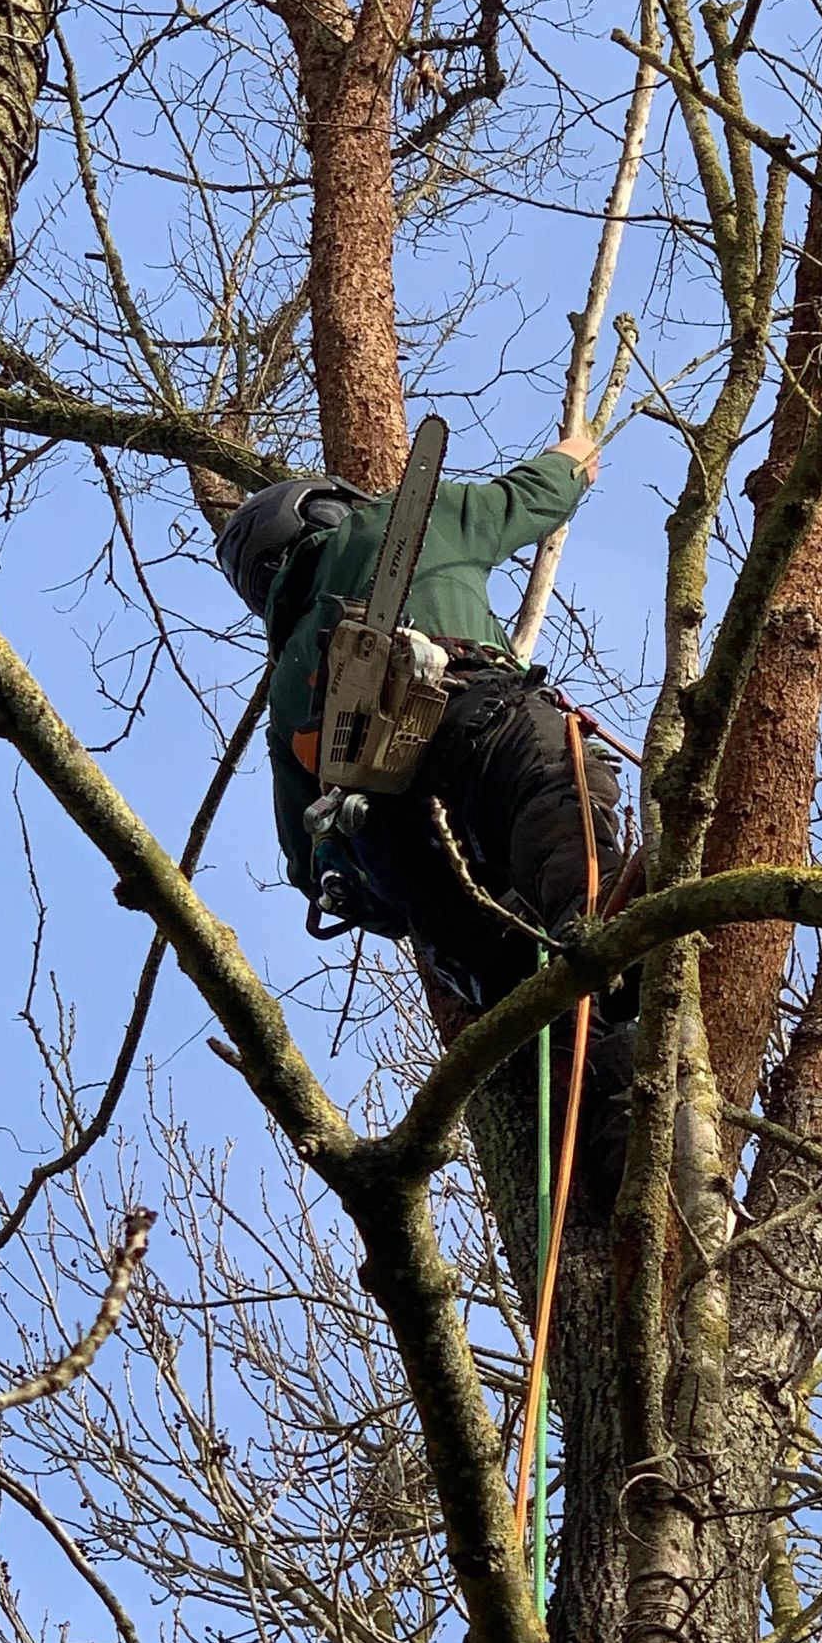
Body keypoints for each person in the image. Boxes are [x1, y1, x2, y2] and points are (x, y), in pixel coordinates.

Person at [216, 425, 636, 1175]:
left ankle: (606, 1141)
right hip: (475, 720)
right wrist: (573, 458)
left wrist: (395, 900)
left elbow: (311, 868)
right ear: (324, 509)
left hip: (395, 846)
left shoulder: (285, 691)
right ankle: (606, 949)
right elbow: (526, 499)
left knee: (521, 992)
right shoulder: (398, 523)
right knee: (564, 810)